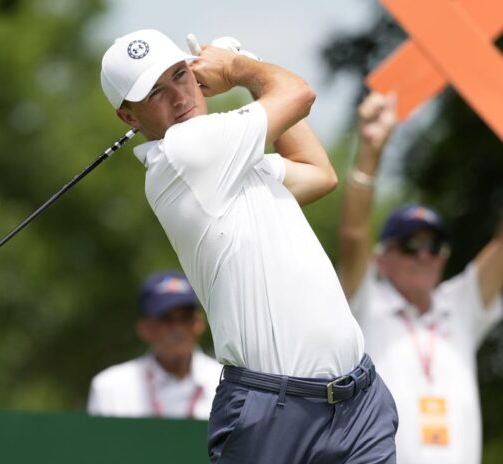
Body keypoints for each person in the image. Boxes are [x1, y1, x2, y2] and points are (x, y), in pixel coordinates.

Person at [99, 29, 398, 463]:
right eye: (156, 92)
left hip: (359, 403)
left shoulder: (232, 160)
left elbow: (318, 172)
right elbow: (298, 93)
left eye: (180, 74)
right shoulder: (184, 152)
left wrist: (247, 68)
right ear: (129, 116)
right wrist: (239, 67)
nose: (179, 97)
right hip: (273, 410)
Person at [338, 91, 503, 464]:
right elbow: (353, 234)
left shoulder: (460, 305)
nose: (425, 255)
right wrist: (369, 152)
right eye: (410, 246)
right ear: (381, 259)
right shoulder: (364, 304)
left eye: (434, 246)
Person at [87, 270, 221, 419]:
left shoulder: (227, 383)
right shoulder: (110, 388)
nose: (178, 328)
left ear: (199, 323)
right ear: (144, 328)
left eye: (186, 318)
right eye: (166, 319)